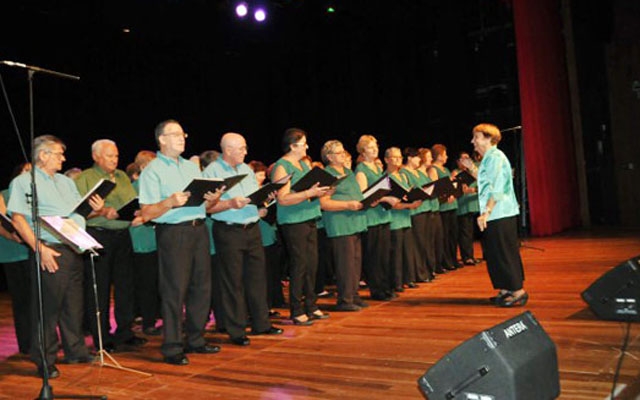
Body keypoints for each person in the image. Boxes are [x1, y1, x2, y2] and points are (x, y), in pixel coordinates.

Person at [8, 135, 104, 379]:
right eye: (59, 153)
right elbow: (18, 219)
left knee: (73, 304)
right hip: (49, 249)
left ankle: (76, 350)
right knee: (47, 309)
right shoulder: (23, 182)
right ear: (43, 155)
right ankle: (44, 359)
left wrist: (93, 209)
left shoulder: (64, 181)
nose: (63, 158)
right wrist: (39, 248)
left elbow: (74, 214)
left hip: (73, 247)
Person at [138, 119, 222, 365]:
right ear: (161, 139)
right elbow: (146, 213)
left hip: (198, 230)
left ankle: (196, 339)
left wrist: (213, 199)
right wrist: (169, 202)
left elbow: (205, 206)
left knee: (201, 288)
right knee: (175, 291)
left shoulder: (192, 167)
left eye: (182, 134)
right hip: (174, 233)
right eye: (175, 134)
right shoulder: (152, 170)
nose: (181, 138)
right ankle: (172, 346)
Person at [204, 132, 283, 346]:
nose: (245, 152)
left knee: (257, 278)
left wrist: (265, 198)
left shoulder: (247, 169)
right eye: (241, 148)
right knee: (233, 282)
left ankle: (261, 323)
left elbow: (254, 197)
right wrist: (230, 204)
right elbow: (207, 207)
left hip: (252, 228)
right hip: (229, 230)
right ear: (228, 150)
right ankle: (236, 330)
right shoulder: (213, 171)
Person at [74, 139, 147, 353]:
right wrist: (102, 211)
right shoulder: (85, 177)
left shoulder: (123, 176)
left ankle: (125, 332)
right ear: (96, 156)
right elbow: (78, 210)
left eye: (116, 155)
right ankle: (101, 336)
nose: (114, 159)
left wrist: (135, 213)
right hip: (99, 235)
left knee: (126, 286)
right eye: (109, 156)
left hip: (123, 234)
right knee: (100, 288)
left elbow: (131, 202)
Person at [461, 123, 527, 307]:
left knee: (504, 252)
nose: (472, 141)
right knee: (495, 252)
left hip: (500, 212)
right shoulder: (488, 159)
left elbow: (497, 188)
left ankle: (518, 291)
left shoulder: (496, 157)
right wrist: (472, 168)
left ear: (489, 138)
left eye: (476, 137)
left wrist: (486, 212)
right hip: (493, 213)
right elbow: (485, 182)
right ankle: (506, 288)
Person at [271, 128, 331, 325]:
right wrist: (308, 193)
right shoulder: (282, 166)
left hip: (309, 217)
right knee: (299, 265)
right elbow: (283, 198)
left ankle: (311, 305)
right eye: (303, 143)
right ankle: (296, 310)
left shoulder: (303, 165)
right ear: (292, 145)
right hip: (293, 221)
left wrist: (323, 190)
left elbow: (310, 190)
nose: (306, 146)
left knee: (311, 264)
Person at [318, 140, 368, 311]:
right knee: (345, 263)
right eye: (339, 152)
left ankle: (353, 295)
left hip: (354, 221)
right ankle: (345, 299)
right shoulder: (327, 174)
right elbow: (324, 203)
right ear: (330, 157)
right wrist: (348, 205)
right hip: (340, 222)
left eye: (343, 151)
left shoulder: (347, 171)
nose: (343, 154)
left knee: (355, 261)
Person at [354, 135, 398, 301]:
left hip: (383, 216)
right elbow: (364, 196)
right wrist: (385, 198)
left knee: (385, 255)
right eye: (371, 148)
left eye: (376, 147)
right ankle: (377, 289)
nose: (375, 150)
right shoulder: (361, 170)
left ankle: (386, 286)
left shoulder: (376, 168)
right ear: (363, 151)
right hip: (371, 218)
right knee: (375, 256)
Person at [0, 162, 32, 355]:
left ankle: (39, 340)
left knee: (36, 299)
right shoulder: (4, 194)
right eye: (26, 171)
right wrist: (12, 235)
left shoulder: (33, 195)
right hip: (12, 249)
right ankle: (26, 344)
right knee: (22, 299)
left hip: (32, 249)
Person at [129, 150, 161, 336]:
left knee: (156, 282)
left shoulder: (154, 185)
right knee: (146, 283)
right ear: (143, 167)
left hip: (157, 240)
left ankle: (154, 316)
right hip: (142, 241)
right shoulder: (135, 187)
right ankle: (148, 321)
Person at [384, 147, 421, 292]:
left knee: (407, 251)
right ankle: (397, 282)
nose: (398, 159)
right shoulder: (386, 177)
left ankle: (407, 278)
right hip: (395, 219)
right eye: (394, 157)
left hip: (405, 217)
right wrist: (409, 204)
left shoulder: (402, 176)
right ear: (387, 160)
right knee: (396, 253)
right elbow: (390, 203)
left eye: (399, 157)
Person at [428, 144, 459, 271]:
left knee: (453, 235)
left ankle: (452, 259)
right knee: (444, 236)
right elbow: (435, 188)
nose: (446, 157)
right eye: (445, 154)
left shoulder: (445, 169)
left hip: (452, 204)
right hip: (443, 206)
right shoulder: (433, 169)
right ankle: (444, 261)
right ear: (439, 156)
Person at [453, 151, 480, 266]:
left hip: (472, 205)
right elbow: (453, 189)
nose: (466, 161)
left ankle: (470, 255)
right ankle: (467, 257)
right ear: (458, 161)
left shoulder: (472, 172)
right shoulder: (456, 173)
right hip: (462, 205)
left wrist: (474, 190)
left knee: (470, 232)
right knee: (465, 232)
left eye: (468, 158)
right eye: (463, 159)